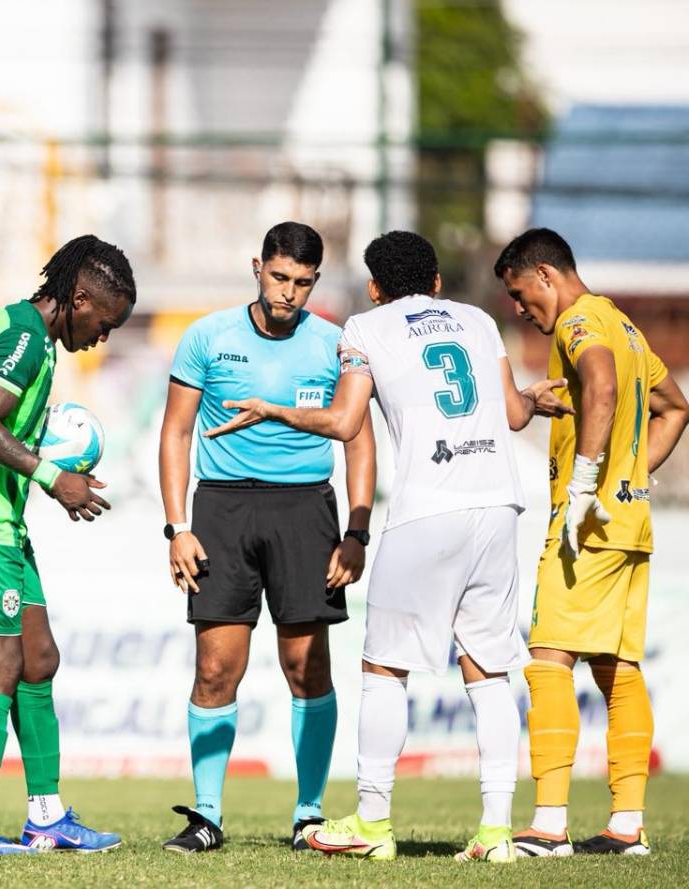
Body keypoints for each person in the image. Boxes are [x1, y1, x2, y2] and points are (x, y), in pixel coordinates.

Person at [206, 230, 568, 863]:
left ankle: (372, 822)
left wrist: (274, 410)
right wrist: (535, 400)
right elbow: (512, 414)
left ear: (375, 288)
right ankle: (495, 832)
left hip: (429, 511)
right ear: (435, 283)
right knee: (488, 673)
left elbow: (346, 422)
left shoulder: (365, 330)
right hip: (498, 508)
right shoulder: (479, 321)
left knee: (383, 670)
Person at [157, 221, 376, 854]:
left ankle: (309, 814)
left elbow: (358, 438)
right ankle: (206, 815)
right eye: (280, 278)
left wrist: (356, 533)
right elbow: (175, 433)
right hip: (222, 510)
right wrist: (177, 527)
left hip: (306, 512)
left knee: (307, 667)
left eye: (304, 283)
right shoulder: (206, 337)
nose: (290, 294)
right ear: (258, 267)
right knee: (215, 667)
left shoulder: (337, 345)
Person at [0, 234, 136, 854]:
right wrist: (51, 475)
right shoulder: (22, 336)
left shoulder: (37, 341)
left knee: (38, 658)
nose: (104, 336)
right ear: (79, 296)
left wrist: (49, 473)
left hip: (3, 524)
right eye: (105, 322)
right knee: (2, 665)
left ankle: (46, 814)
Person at [494, 228, 689, 857]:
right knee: (618, 669)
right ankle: (627, 826)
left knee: (548, 657)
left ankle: (548, 826)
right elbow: (675, 407)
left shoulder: (580, 324)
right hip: (628, 524)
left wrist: (583, 490)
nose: (520, 309)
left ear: (546, 275)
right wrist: (629, 477)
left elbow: (601, 386)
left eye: (521, 294)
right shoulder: (622, 323)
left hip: (587, 529)